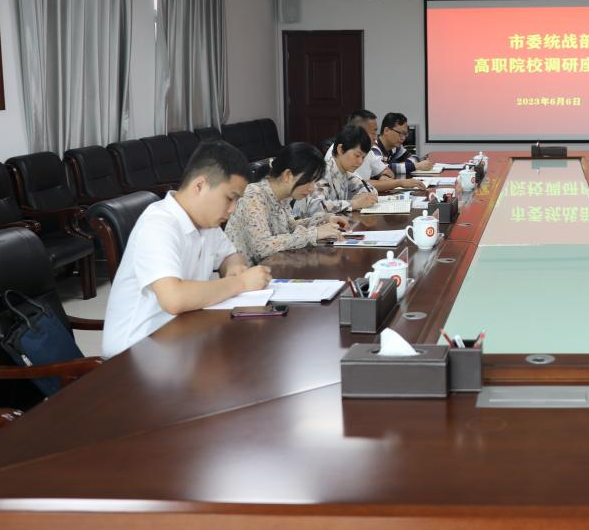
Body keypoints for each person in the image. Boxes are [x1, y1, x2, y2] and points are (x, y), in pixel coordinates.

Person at [102, 140, 273, 358]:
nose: (233, 209)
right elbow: (173, 298)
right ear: (199, 186)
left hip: (180, 337)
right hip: (133, 355)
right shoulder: (158, 224)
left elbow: (230, 255)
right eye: (230, 198)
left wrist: (234, 268)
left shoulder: (206, 222)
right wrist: (240, 283)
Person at [224, 142, 348, 264]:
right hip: (246, 274)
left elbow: (290, 227)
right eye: (309, 180)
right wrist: (313, 234)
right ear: (288, 175)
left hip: (272, 268)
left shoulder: (282, 197)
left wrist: (324, 220)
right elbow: (262, 247)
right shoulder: (253, 195)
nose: (312, 188)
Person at [329, 109, 422, 193]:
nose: (375, 137)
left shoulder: (367, 150)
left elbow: (386, 171)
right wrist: (399, 182)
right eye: (373, 133)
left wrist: (384, 177)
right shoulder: (344, 151)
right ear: (358, 131)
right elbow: (360, 184)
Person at [297, 124, 380, 217]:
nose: (360, 162)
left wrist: (363, 196)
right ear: (340, 149)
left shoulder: (345, 172)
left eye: (363, 157)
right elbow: (315, 207)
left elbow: (370, 189)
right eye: (357, 155)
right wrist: (355, 203)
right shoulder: (323, 172)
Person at [371, 112, 434, 177]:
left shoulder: (394, 147)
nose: (403, 138)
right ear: (386, 130)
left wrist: (401, 166)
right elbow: (383, 169)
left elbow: (414, 157)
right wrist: (415, 166)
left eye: (405, 134)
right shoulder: (373, 148)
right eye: (400, 133)